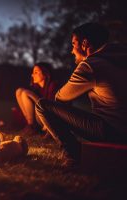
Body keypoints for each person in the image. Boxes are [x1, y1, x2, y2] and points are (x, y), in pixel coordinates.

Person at [35, 22, 127, 165]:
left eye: (73, 44)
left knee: (42, 105)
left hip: (113, 130)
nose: (72, 51)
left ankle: (73, 154)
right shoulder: (119, 57)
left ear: (84, 43)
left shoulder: (91, 65)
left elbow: (60, 97)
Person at [15, 62, 58, 133]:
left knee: (25, 92)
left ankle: (31, 126)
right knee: (19, 91)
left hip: (48, 119)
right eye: (32, 72)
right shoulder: (36, 89)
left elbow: (53, 108)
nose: (32, 75)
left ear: (45, 73)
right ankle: (30, 125)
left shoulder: (53, 86)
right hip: (38, 118)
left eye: (36, 72)